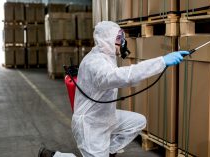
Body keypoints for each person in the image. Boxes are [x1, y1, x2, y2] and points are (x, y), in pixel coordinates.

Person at [38, 21, 189, 157]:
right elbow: (123, 76)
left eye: (122, 38)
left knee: (138, 121)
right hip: (90, 124)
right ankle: (54, 156)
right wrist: (161, 61)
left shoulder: (107, 55)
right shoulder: (94, 63)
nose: (122, 42)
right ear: (106, 39)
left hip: (106, 116)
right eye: (118, 39)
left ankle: (108, 152)